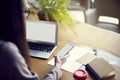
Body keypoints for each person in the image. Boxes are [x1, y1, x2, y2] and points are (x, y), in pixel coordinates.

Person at [0, 0, 67, 80]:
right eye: (26, 11)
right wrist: (57, 67)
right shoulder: (7, 51)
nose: (26, 16)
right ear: (12, 15)